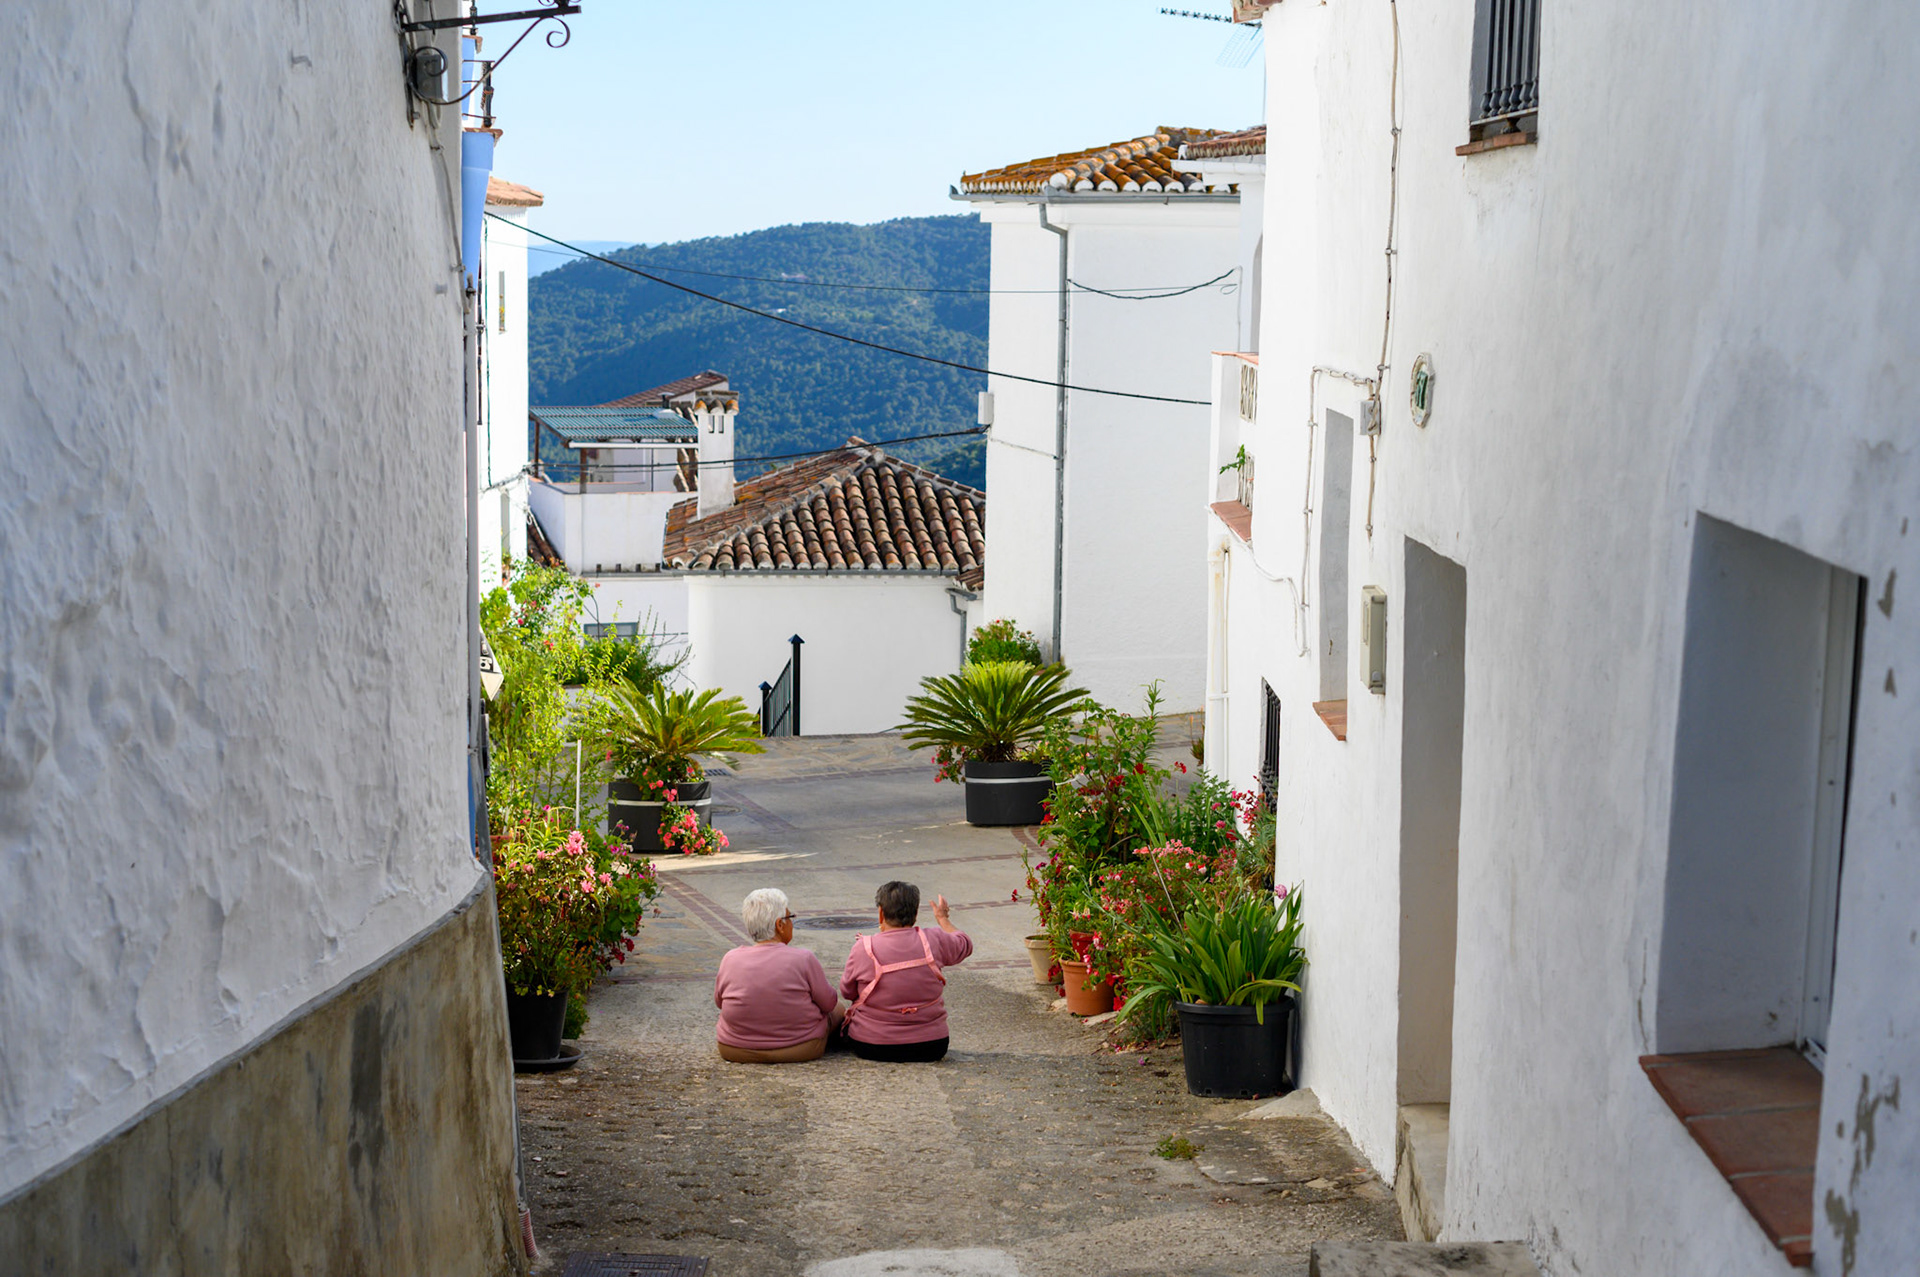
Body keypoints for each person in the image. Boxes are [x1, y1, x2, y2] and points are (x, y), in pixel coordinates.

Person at [839, 880, 972, 1063]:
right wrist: (943, 919)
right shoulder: (934, 939)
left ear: (880, 913)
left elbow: (847, 992)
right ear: (915, 914)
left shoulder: (863, 948)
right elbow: (964, 943)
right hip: (933, 1045)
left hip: (872, 1045)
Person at [713, 888, 844, 1063]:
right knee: (839, 1009)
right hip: (801, 1047)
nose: (792, 923)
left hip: (734, 1048)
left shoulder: (730, 958)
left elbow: (719, 1002)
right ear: (779, 925)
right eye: (790, 918)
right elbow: (828, 1003)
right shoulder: (803, 959)